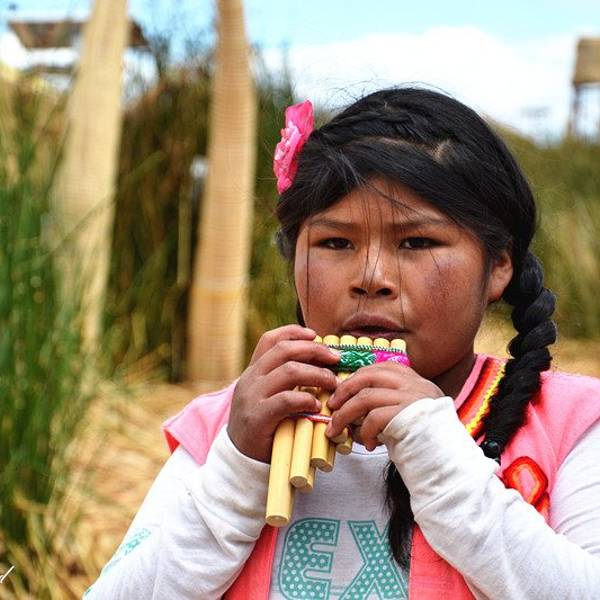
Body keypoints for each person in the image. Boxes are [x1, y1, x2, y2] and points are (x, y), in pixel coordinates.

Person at [85, 87, 600, 599]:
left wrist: (438, 455)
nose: (371, 277)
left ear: (499, 265)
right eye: (335, 242)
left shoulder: (566, 427)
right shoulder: (233, 427)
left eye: (416, 242)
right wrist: (237, 472)